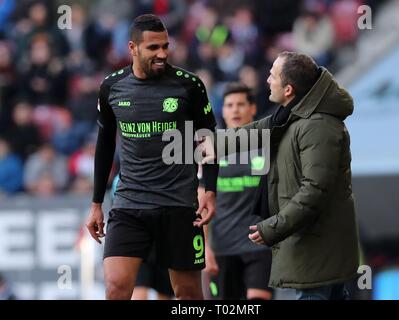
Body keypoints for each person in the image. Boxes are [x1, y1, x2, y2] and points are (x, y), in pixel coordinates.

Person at [205, 51, 360, 300]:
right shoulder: (290, 117)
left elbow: (314, 191)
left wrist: (272, 228)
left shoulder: (317, 125)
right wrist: (204, 144)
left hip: (317, 251)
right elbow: (254, 132)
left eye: (272, 75)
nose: (267, 80)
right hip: (310, 249)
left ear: (288, 89)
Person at [85, 14, 218, 300]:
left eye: (165, 47)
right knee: (117, 287)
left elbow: (207, 137)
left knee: (187, 293)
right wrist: (96, 203)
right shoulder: (112, 87)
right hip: (130, 203)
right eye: (153, 48)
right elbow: (105, 143)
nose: (162, 54)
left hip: (179, 206)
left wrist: (209, 189)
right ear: (132, 48)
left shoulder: (189, 86)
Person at [203, 83, 272, 300]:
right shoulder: (211, 148)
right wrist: (206, 248)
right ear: (222, 110)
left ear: (252, 108)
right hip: (222, 247)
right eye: (229, 105)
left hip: (260, 245)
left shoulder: (266, 145)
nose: (235, 110)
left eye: (241, 104)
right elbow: (200, 201)